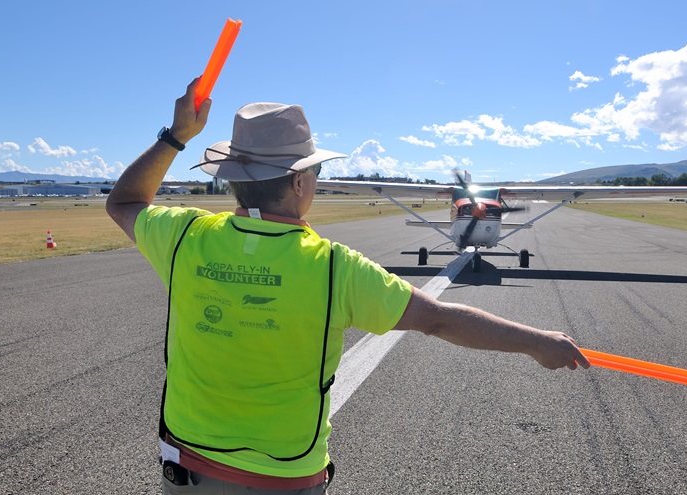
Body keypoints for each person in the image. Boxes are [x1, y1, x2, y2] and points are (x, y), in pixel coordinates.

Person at [106, 78, 589, 494]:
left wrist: (176, 136)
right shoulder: (336, 267)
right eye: (314, 171)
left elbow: (124, 202)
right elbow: (438, 318)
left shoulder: (183, 235)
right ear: (298, 184)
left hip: (187, 467)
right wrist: (537, 342)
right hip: (284, 477)